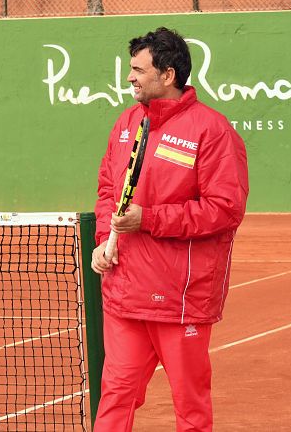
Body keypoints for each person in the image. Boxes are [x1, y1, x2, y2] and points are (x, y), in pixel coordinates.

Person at [90, 27, 248, 431]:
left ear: (168, 74)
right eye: (131, 69)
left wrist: (150, 219)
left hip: (180, 299)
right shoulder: (126, 123)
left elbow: (224, 209)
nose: (130, 77)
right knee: (116, 394)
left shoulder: (212, 130)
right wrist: (104, 240)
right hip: (125, 292)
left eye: (139, 70)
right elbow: (108, 189)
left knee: (190, 406)